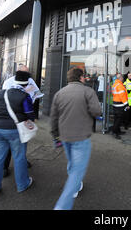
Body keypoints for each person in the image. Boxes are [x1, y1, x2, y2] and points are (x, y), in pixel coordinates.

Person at [50, 67, 102, 210]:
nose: (85, 78)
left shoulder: (60, 93)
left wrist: (55, 135)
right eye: (84, 77)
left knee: (72, 162)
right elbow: (97, 111)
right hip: (81, 136)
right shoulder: (88, 92)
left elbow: (53, 117)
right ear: (81, 78)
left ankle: (76, 185)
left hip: (64, 136)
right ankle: (62, 206)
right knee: (77, 170)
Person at [0, 71, 34, 198]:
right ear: (26, 83)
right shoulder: (25, 96)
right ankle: (23, 184)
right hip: (15, 131)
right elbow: (29, 114)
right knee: (19, 157)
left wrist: (0, 119)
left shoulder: (0, 93)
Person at [1, 65, 38, 176]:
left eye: (28, 72)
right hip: (11, 118)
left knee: (23, 141)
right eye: (24, 72)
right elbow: (5, 98)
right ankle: (4, 167)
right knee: (8, 145)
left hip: (23, 118)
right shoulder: (8, 82)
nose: (27, 75)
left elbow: (35, 93)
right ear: (18, 72)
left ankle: (23, 161)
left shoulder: (30, 81)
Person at [111, 73, 129, 139]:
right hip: (119, 104)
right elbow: (122, 96)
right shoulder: (120, 85)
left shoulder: (114, 84)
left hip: (115, 103)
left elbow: (114, 94)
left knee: (116, 118)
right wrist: (126, 104)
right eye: (122, 78)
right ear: (120, 78)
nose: (123, 79)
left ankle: (118, 131)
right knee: (119, 119)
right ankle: (114, 132)